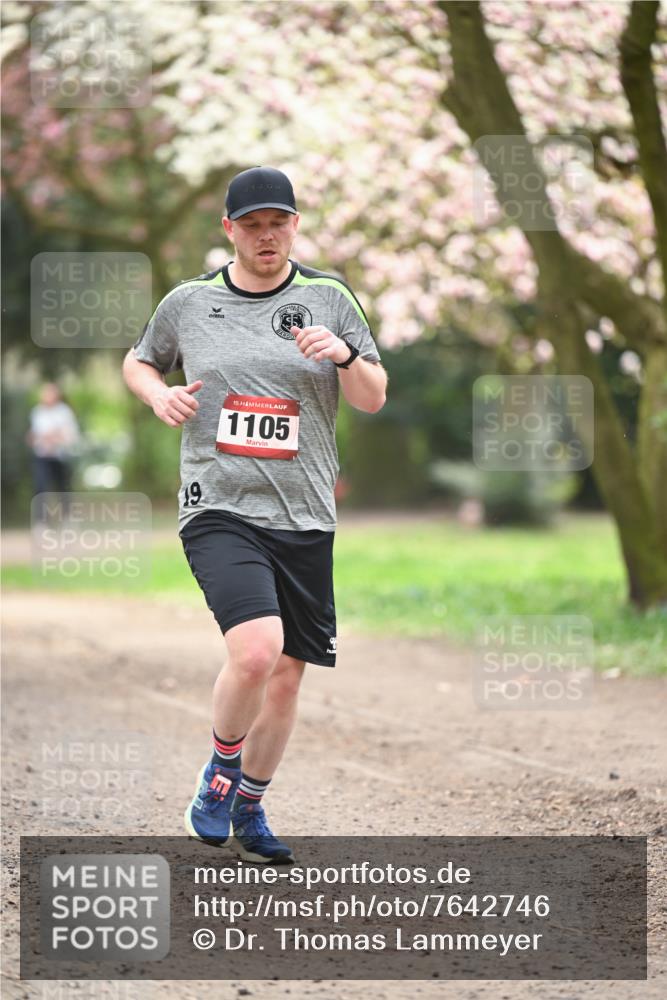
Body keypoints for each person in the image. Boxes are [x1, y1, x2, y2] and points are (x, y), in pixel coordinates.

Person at [122, 166, 387, 862]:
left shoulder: (328, 299)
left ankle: (250, 807)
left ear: (294, 226)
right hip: (219, 505)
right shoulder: (189, 302)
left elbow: (372, 397)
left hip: (303, 513)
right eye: (251, 225)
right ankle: (218, 774)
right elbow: (140, 361)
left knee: (289, 673)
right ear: (228, 229)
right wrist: (157, 397)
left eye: (278, 223)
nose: (265, 236)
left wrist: (345, 354)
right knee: (256, 651)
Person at [28, 382, 80, 522]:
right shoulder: (37, 411)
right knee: (41, 487)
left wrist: (55, 437)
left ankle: (67, 518)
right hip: (42, 456)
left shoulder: (64, 412)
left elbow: (71, 435)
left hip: (61, 456)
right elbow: (34, 434)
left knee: (63, 488)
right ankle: (41, 521)